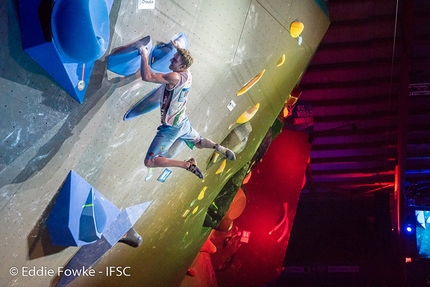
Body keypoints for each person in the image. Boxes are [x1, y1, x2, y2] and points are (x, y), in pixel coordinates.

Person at [137, 42, 235, 179]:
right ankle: (218, 147)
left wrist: (143, 54)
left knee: (150, 162)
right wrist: (178, 48)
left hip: (171, 128)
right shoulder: (188, 74)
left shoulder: (174, 77)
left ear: (182, 67)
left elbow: (147, 76)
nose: (171, 60)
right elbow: (185, 60)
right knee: (199, 142)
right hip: (183, 123)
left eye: (174, 59)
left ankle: (187, 165)